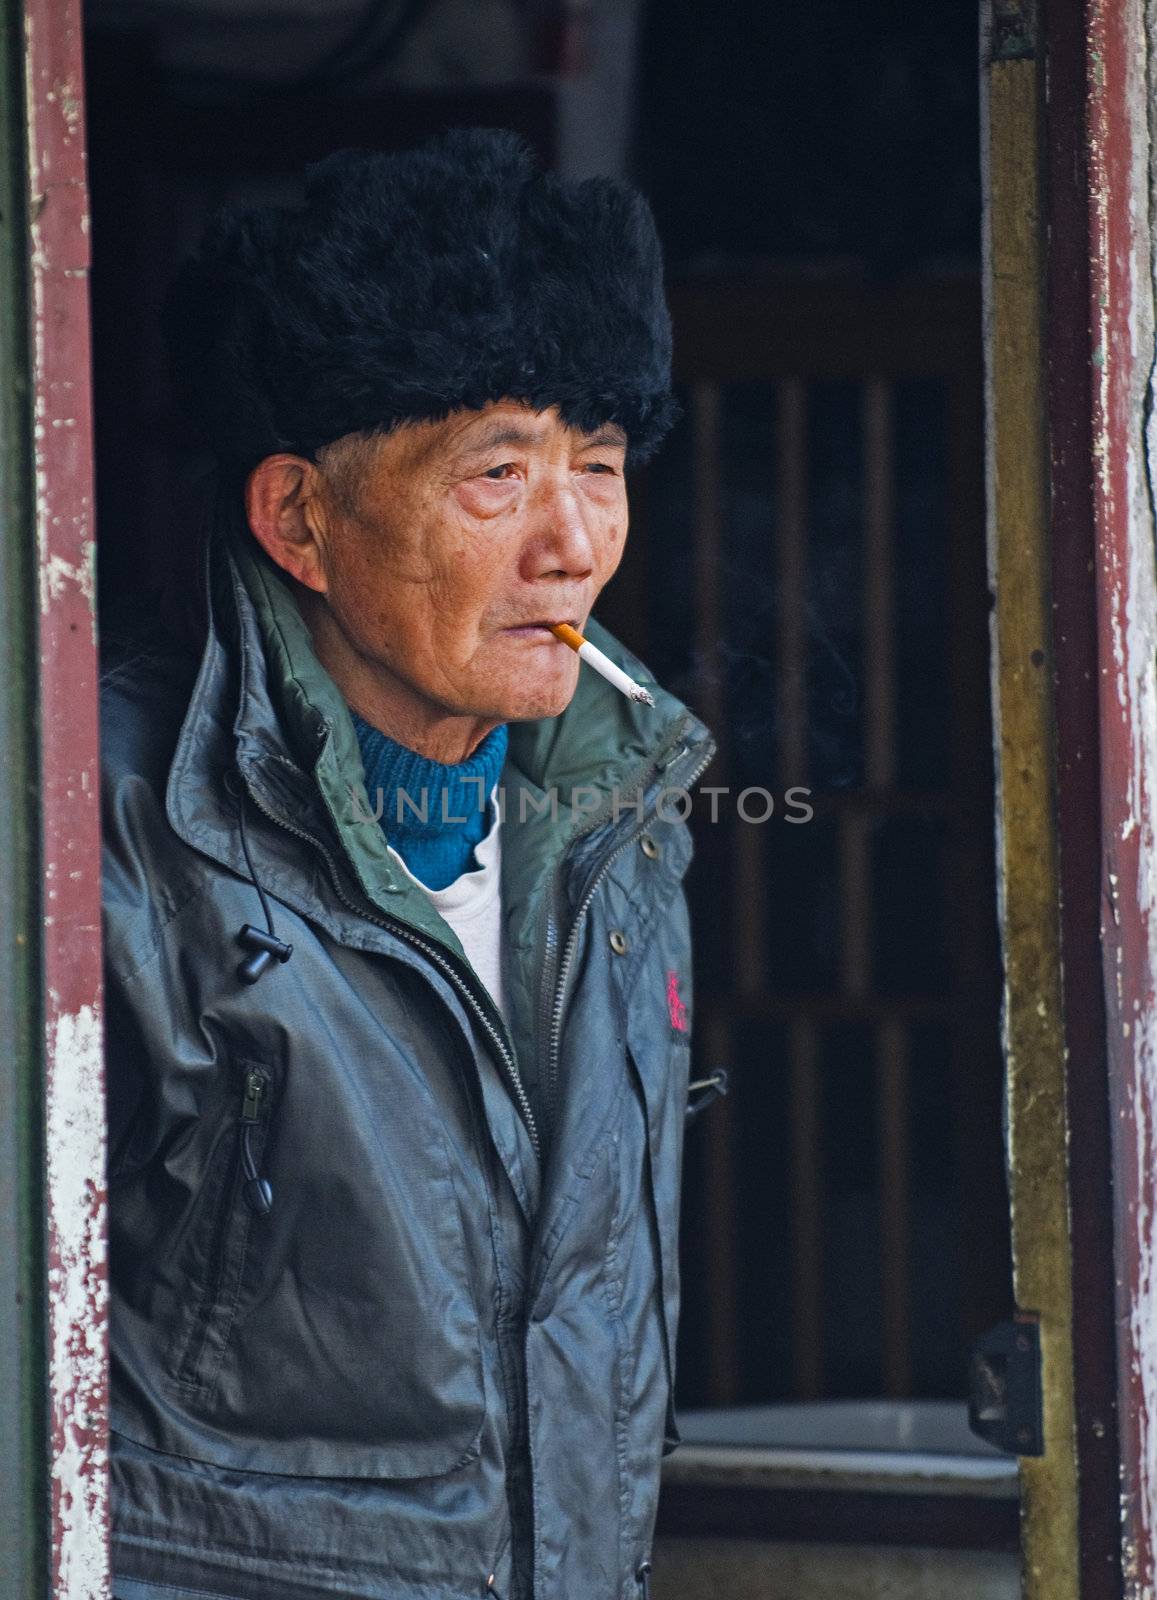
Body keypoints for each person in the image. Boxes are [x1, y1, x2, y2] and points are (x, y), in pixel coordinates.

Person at [102, 127, 714, 1600]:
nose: (572, 540)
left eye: (601, 465)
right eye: (497, 474)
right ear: (300, 519)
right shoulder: (111, 834)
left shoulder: (619, 833)